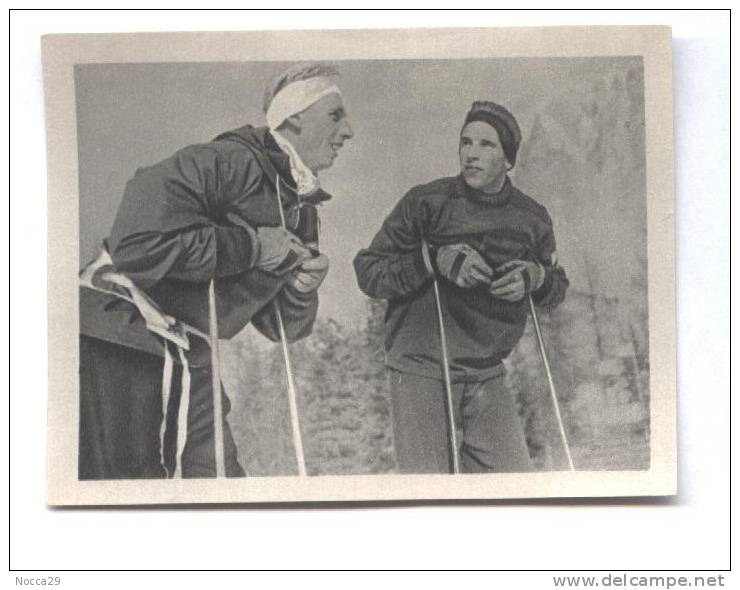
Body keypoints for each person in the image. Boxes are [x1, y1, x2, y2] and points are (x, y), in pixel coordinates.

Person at [79, 63, 354, 479]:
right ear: (294, 117)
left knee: (216, 478)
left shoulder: (301, 209)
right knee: (137, 487)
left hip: (189, 348)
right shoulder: (227, 161)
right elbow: (136, 246)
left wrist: (302, 288)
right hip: (122, 332)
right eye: (336, 115)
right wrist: (253, 246)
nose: (348, 131)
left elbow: (283, 329)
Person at [353, 100, 568, 474]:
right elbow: (369, 271)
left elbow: (555, 285)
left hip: (486, 371)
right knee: (428, 489)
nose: (471, 154)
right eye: (466, 143)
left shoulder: (531, 218)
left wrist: (532, 278)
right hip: (421, 369)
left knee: (515, 484)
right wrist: (432, 261)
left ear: (508, 159)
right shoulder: (427, 203)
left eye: (486, 145)